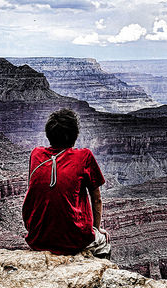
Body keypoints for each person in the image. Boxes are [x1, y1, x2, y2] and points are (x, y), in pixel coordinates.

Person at [22, 108, 111, 258]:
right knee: (104, 243)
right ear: (75, 135)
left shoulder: (36, 154)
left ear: (48, 134)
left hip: (37, 239)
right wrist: (97, 228)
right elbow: (97, 199)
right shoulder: (84, 157)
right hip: (73, 241)